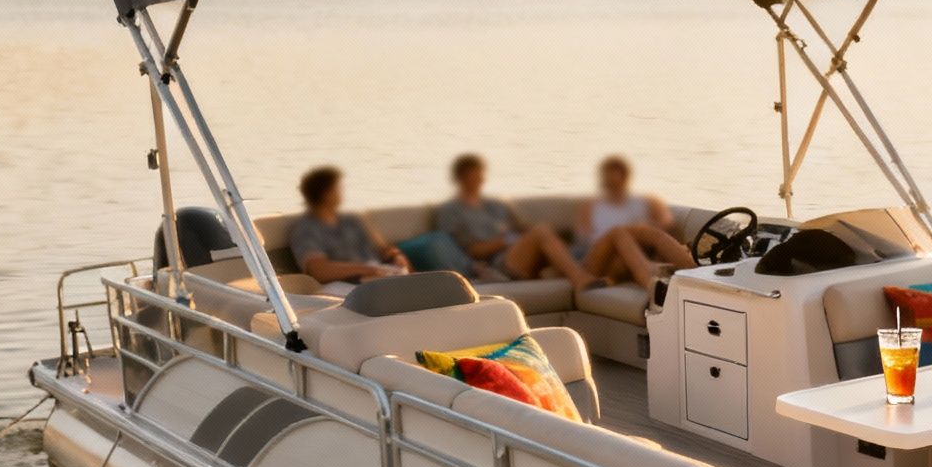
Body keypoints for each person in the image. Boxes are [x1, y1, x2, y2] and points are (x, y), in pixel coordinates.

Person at [433, 153, 603, 289]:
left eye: (480, 175)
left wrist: (525, 234)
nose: (478, 180)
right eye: (473, 176)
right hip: (496, 266)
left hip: (519, 253)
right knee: (541, 232)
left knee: (545, 233)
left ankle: (592, 273)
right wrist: (506, 241)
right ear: (461, 178)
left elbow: (520, 227)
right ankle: (580, 278)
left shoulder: (495, 205)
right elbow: (471, 252)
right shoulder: (451, 211)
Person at [575, 155, 695, 295]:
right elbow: (585, 240)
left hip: (632, 256)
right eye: (609, 179)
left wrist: (637, 233)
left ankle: (697, 274)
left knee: (646, 235)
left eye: (617, 178)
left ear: (625, 178)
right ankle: (652, 283)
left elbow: (666, 223)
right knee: (618, 233)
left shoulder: (643, 201)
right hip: (597, 262)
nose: (613, 184)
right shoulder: (591, 206)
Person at [286, 166, 409, 296]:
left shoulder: (353, 218)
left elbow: (384, 248)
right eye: (338, 188)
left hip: (376, 274)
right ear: (325, 194)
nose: (342, 193)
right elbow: (319, 270)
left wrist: (396, 256)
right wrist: (367, 269)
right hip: (342, 284)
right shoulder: (305, 228)